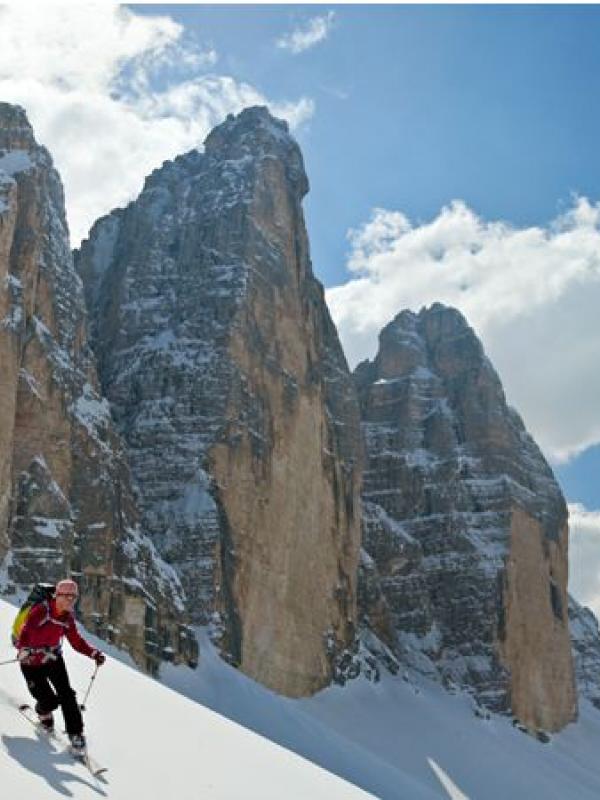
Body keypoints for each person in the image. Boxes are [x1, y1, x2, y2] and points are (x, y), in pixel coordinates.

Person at [15, 578, 105, 753]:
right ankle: (43, 713)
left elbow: (76, 641)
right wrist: (24, 649)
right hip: (31, 661)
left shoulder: (67, 618)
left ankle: (76, 733)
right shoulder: (42, 611)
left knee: (67, 694)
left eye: (74, 597)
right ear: (57, 595)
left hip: (53, 658)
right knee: (49, 700)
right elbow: (26, 631)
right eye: (67, 596)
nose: (71, 600)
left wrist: (94, 653)